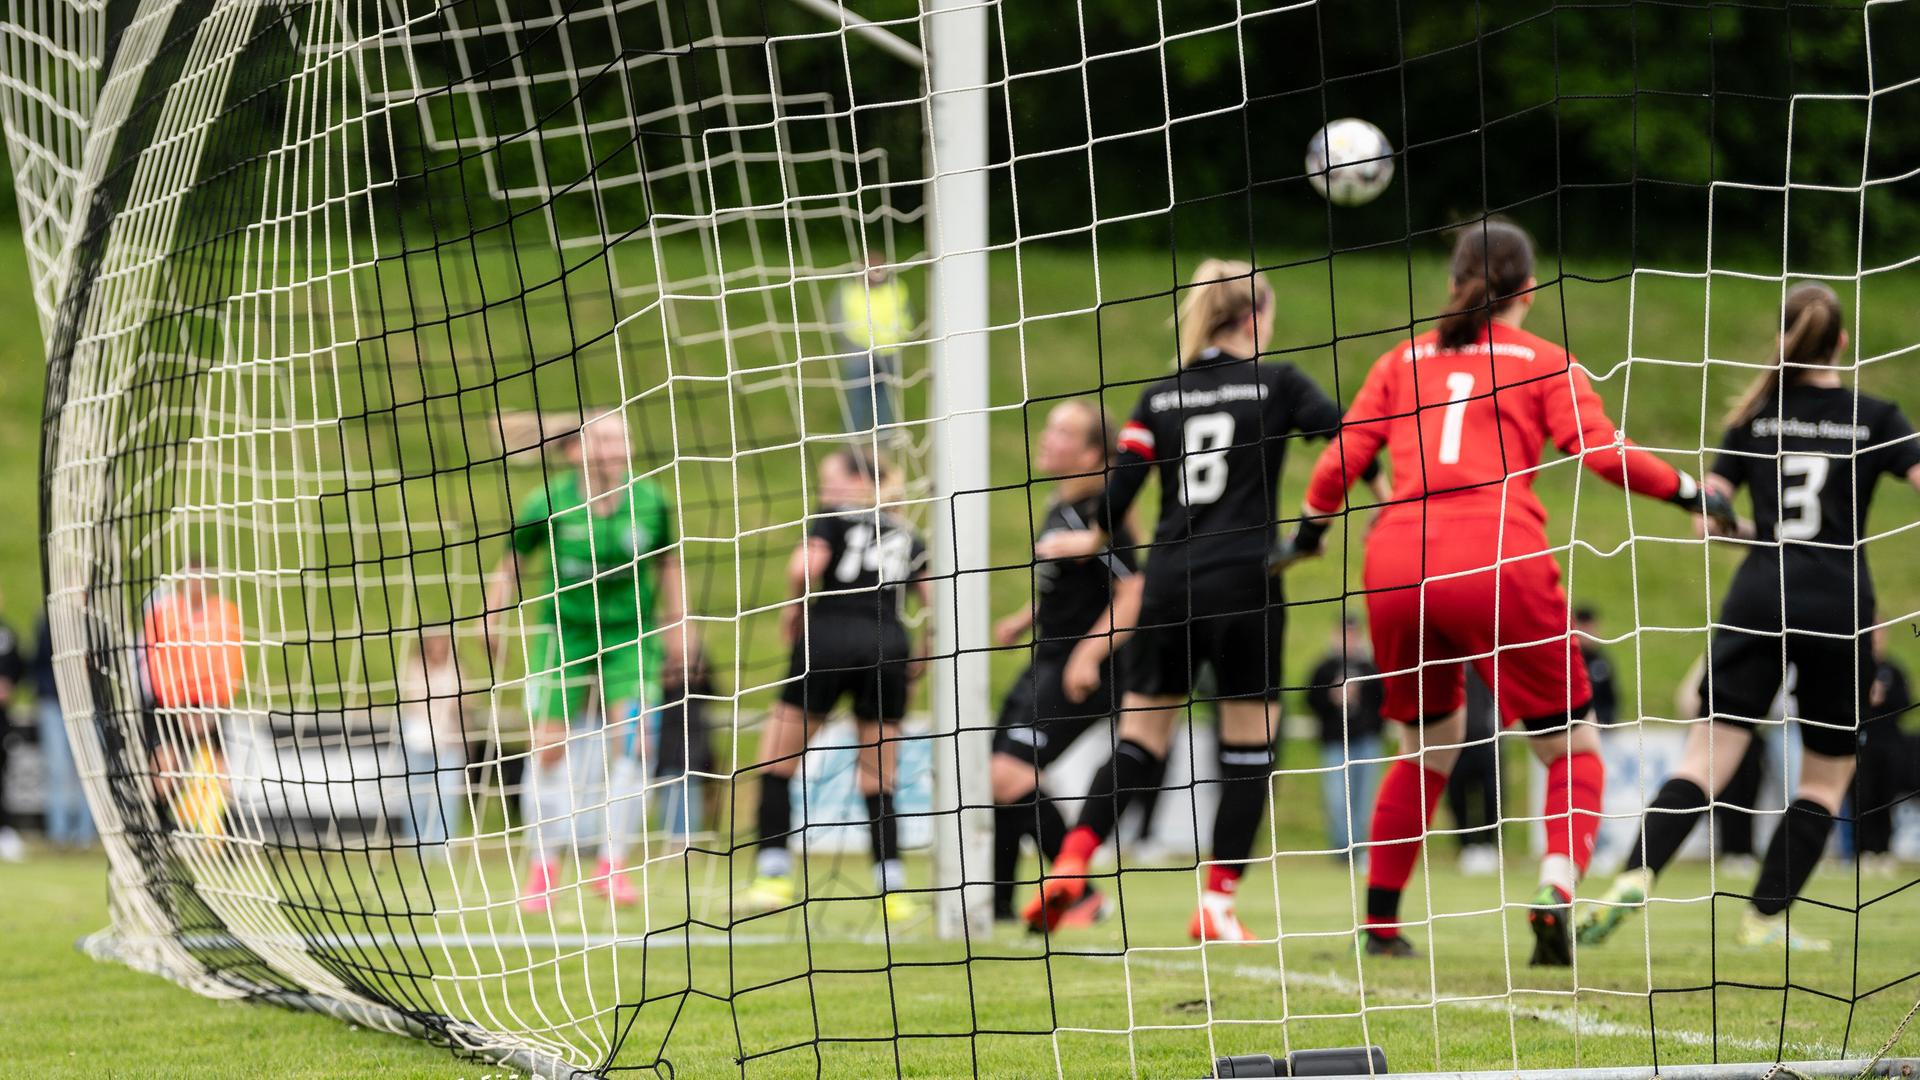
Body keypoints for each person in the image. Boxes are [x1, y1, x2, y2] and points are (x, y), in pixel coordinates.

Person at [1286, 219, 1734, 965]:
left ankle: (1382, 923)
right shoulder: (1543, 361)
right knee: (1570, 744)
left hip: (1395, 564)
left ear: (1454, 282)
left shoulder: (1402, 361)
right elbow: (1600, 453)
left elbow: (1340, 463)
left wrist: (1306, 533)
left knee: (1425, 743)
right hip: (1498, 554)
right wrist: (1691, 493)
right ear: (1528, 288)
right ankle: (1556, 888)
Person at [1026, 258, 1381, 942]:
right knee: (1250, 745)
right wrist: (1321, 527)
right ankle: (1216, 905)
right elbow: (1349, 442)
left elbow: (1119, 493)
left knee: (1139, 739)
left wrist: (1094, 534)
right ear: (1257, 316)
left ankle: (1071, 861)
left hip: (1167, 583)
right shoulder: (1277, 382)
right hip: (1246, 581)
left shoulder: (1159, 399)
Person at [1579, 282, 1920, 952]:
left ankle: (1635, 874)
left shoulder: (1755, 418)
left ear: (1783, 338)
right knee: (1824, 778)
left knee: (1705, 760)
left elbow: (1710, 513)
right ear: (1842, 342)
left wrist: (1742, 524)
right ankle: (1764, 918)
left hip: (1759, 596)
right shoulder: (1876, 415)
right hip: (1838, 605)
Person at [486, 414, 688, 912]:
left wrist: (681, 624)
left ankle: (613, 866)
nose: (614, 446)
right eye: (602, 438)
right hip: (565, 634)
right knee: (548, 748)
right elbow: (511, 563)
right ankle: (543, 869)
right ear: (577, 451)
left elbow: (668, 563)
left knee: (638, 743)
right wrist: (491, 617)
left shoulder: (652, 500)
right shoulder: (547, 502)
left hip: (632, 636)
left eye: (622, 436)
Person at [742, 448, 930, 921]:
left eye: (831, 480)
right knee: (878, 775)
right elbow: (935, 597)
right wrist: (925, 648)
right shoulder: (907, 531)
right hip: (888, 643)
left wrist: (792, 605)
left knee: (777, 760)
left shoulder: (831, 518)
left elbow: (801, 568)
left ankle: (773, 875)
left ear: (858, 482)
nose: (825, 491)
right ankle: (892, 889)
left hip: (828, 638)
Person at [990, 400, 1144, 924]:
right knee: (998, 775)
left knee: (1011, 776)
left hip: (1083, 669)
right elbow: (1074, 591)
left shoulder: (1100, 513)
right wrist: (1023, 617)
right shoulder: (1061, 507)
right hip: (1046, 657)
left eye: (1064, 432)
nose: (1049, 438)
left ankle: (1079, 894)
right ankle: (1002, 908)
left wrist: (1088, 653)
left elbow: (1133, 593)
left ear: (1092, 452)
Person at [143, 563, 246, 840]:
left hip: (212, 705)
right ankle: (156, 827)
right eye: (191, 579)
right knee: (166, 767)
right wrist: (178, 706)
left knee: (219, 769)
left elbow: (231, 660)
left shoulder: (224, 613)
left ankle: (222, 834)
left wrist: (215, 702)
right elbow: (156, 662)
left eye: (202, 578)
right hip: (173, 706)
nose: (197, 585)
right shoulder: (163, 615)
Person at [1306, 615, 1384, 861]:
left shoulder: (1370, 667)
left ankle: (1360, 849)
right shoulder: (1324, 667)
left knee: (1364, 799)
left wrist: (1362, 701)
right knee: (1338, 798)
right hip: (1335, 741)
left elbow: (1384, 700)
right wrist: (1331, 698)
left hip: (1366, 741)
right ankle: (1343, 850)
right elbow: (1310, 700)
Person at [397, 626, 468, 855]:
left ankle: (443, 846)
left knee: (447, 795)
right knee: (418, 794)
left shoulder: (455, 669)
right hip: (420, 739)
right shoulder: (415, 667)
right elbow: (414, 701)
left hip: (448, 739)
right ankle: (417, 844)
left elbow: (464, 700)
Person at [833, 251, 914, 434]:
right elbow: (836, 320)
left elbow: (908, 318)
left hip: (888, 353)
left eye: (879, 267)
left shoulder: (897, 289)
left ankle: (883, 441)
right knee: (857, 399)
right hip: (858, 354)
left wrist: (899, 339)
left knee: (884, 400)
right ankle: (853, 439)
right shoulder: (849, 290)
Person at [32, 613, 93, 848]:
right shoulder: (48, 622)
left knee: (87, 770)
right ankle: (59, 834)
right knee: (57, 769)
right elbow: (37, 663)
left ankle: (85, 835)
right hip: (54, 702)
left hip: (86, 704)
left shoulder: (94, 622)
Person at [1855, 630, 1915, 868]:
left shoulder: (1893, 670)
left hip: (1889, 742)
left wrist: (1885, 697)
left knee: (1885, 797)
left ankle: (1883, 850)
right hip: (1862, 743)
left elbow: (1906, 702)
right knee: (1863, 796)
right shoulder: (1856, 667)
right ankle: (1863, 851)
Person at [1449, 673, 1502, 876]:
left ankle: (1489, 845)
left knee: (1492, 794)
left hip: (1486, 742)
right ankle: (1466, 847)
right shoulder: (1451, 663)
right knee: (1458, 797)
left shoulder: (1488, 664)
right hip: (1457, 743)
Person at [1574, 607, 1617, 728]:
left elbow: (1611, 700)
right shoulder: (1566, 659)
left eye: (1590, 628)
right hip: (1572, 727)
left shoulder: (1603, 662)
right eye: (1583, 628)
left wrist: (1604, 721)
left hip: (1600, 728)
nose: (1588, 633)